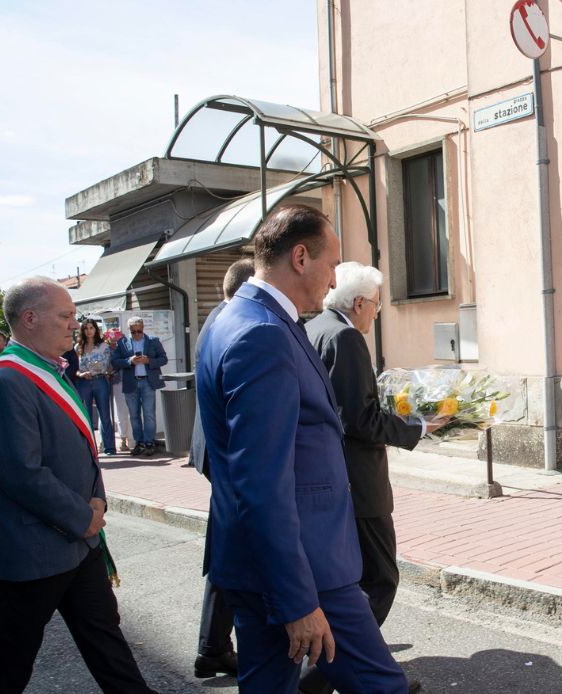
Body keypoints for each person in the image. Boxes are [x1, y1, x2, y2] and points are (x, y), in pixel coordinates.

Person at [197, 204, 410, 693]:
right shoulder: (261, 333)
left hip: (262, 559)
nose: (335, 279)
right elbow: (262, 481)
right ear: (299, 257)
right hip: (304, 566)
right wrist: (296, 600)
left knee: (268, 684)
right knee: (382, 686)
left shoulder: (243, 318)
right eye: (332, 264)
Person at [0, 276, 156, 693]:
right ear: (30, 319)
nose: (76, 324)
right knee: (9, 660)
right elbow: (21, 472)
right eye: (66, 315)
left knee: (108, 644)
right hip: (31, 550)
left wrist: (98, 504)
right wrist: (82, 517)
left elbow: (81, 447)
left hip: (77, 544)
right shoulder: (4, 381)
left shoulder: (49, 371)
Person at [300, 262, 442, 694]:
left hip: (332, 480)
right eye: (376, 305)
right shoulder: (344, 336)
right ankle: (335, 676)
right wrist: (419, 426)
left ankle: (351, 673)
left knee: (352, 584)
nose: (377, 313)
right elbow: (358, 419)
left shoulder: (315, 328)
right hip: (357, 483)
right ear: (358, 303)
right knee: (380, 580)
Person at [189, 257, 254, 679]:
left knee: (229, 546)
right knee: (235, 549)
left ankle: (212, 645)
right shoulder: (234, 322)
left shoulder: (217, 316)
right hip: (227, 453)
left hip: (214, 451)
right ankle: (214, 645)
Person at [111, 317, 167, 456]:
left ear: (143, 328)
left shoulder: (153, 341)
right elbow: (115, 362)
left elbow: (163, 358)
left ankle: (149, 442)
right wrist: (129, 361)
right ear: (129, 330)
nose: (136, 334)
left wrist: (149, 360)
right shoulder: (122, 342)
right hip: (131, 382)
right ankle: (139, 442)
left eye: (139, 331)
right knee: (134, 415)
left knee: (149, 414)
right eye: (133, 331)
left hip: (148, 381)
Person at [75, 319, 117, 456]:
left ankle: (109, 448)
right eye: (86, 328)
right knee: (85, 416)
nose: (89, 331)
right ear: (82, 330)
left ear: (95, 330)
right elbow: (74, 369)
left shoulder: (104, 346)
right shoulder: (78, 347)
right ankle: (90, 448)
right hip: (84, 382)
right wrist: (81, 374)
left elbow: (110, 365)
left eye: (91, 328)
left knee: (104, 414)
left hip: (100, 380)